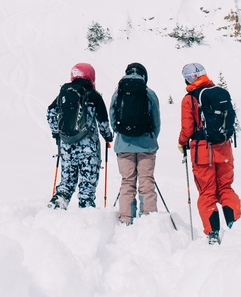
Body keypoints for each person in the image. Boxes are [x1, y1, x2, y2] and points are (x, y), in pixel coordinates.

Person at [178, 62, 241, 243]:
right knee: (225, 188)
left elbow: (187, 128)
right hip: (224, 148)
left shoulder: (190, 99)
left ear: (188, 78)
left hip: (202, 151)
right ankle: (235, 225)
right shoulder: (218, 92)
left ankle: (213, 233)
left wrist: (182, 143)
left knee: (207, 192)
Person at [47, 62, 113, 209]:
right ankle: (86, 210)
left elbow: (50, 113)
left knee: (67, 180)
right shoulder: (94, 96)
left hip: (67, 145)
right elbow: (103, 122)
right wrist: (108, 136)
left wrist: (57, 133)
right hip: (88, 147)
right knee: (87, 183)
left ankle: (58, 204)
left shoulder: (64, 93)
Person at [109, 62, 161, 224]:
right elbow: (156, 121)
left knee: (127, 182)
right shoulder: (148, 93)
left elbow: (113, 118)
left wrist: (121, 135)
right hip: (146, 144)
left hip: (124, 145)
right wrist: (151, 138)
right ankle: (148, 218)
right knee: (146, 181)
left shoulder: (118, 93)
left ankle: (126, 218)